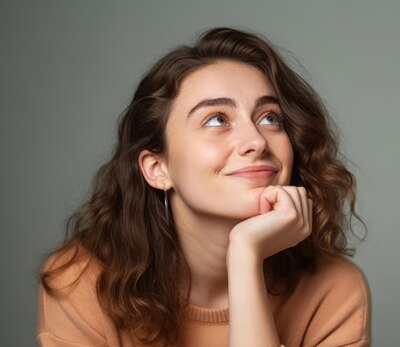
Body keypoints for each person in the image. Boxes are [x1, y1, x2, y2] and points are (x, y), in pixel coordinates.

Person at [38, 27, 370, 347]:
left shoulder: (333, 289)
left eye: (270, 118)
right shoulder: (82, 282)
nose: (256, 141)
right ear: (158, 169)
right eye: (217, 119)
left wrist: (245, 258)